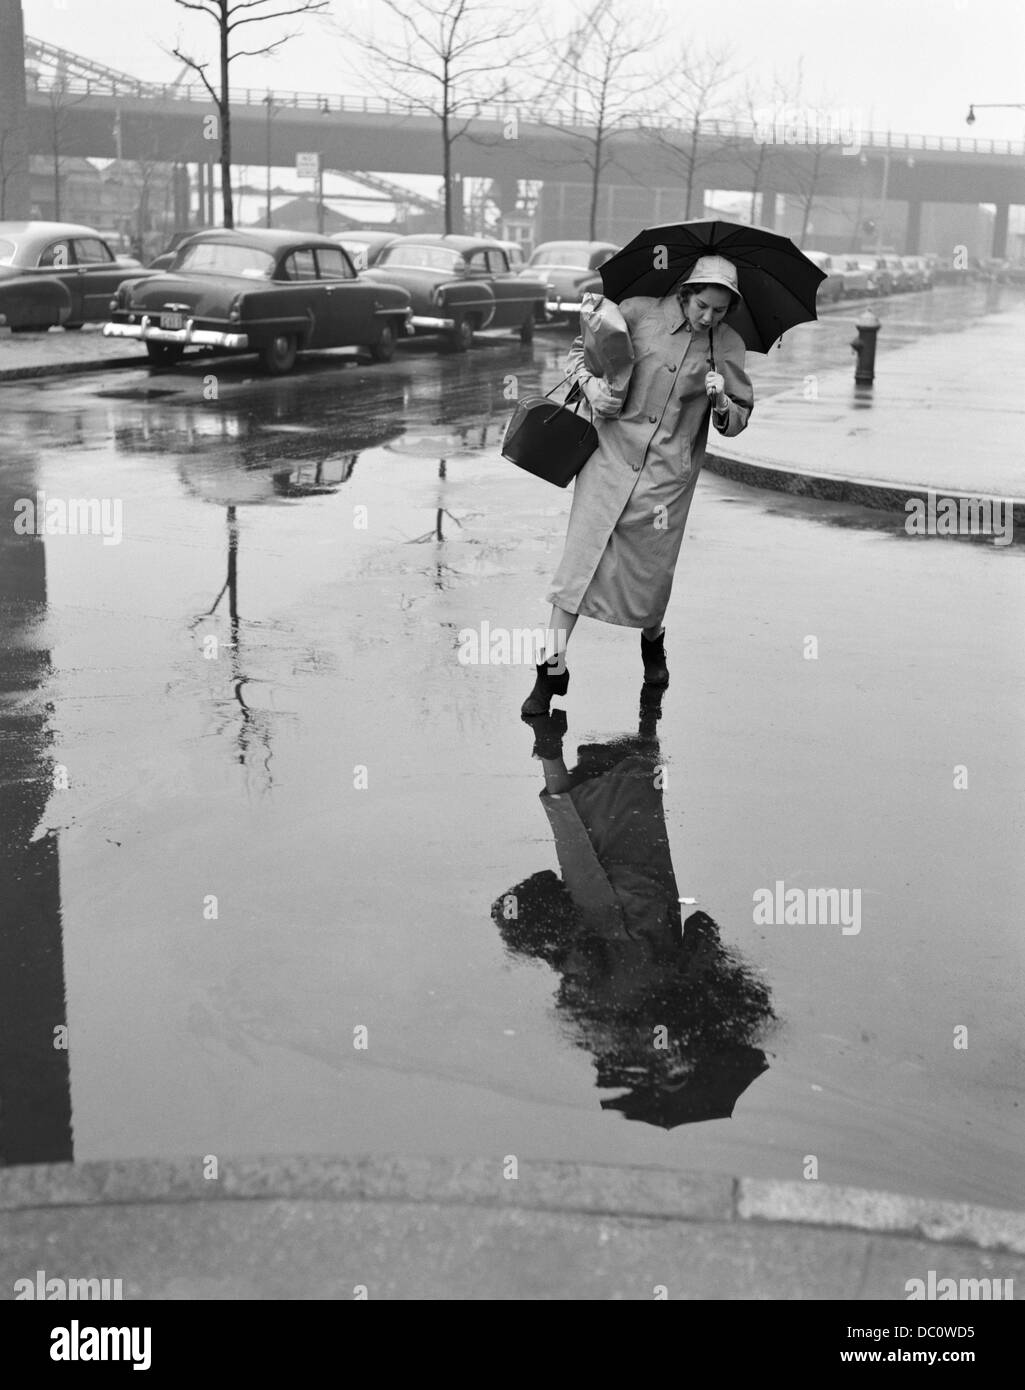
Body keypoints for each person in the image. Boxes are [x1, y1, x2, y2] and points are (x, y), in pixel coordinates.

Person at [521, 255, 755, 718]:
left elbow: (738, 419)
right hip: (607, 460)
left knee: (649, 578)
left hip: (666, 477)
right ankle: (549, 673)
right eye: (703, 305)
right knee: (577, 568)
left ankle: (653, 643)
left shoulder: (726, 345)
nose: (709, 317)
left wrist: (721, 399)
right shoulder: (636, 312)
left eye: (720, 310)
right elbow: (577, 356)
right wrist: (590, 388)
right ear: (687, 293)